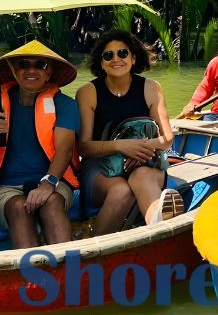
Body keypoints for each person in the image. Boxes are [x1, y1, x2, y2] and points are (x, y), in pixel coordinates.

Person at [0, 42, 80, 249]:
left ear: (49, 72)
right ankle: (33, 276)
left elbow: (65, 150)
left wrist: (48, 184)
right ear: (14, 70)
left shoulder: (64, 105)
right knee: (18, 208)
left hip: (53, 180)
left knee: (52, 203)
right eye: (23, 64)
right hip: (4, 188)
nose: (31, 70)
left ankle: (67, 271)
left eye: (40, 65)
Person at [75, 30, 180, 234]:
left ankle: (159, 225)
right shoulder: (88, 92)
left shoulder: (150, 88)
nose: (116, 59)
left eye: (122, 53)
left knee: (141, 176)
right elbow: (84, 147)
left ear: (133, 58)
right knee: (122, 191)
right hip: (100, 167)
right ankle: (94, 250)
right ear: (101, 63)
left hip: (145, 159)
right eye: (108, 55)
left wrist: (142, 149)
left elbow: (167, 138)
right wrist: (121, 146)